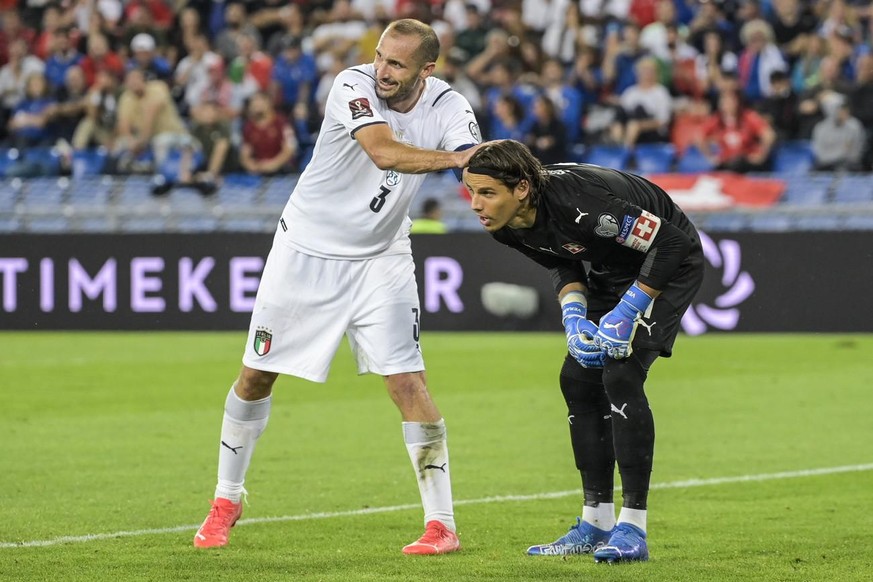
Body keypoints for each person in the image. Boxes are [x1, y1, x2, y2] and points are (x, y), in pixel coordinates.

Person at [193, 18, 481, 555]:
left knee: (408, 383)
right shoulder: (352, 84)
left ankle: (441, 525)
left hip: (382, 257)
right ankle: (226, 499)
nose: (383, 70)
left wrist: (496, 180)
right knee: (256, 376)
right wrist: (456, 160)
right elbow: (384, 151)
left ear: (427, 69)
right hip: (305, 250)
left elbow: (475, 167)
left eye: (396, 63)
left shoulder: (449, 106)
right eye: (380, 57)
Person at [462, 139, 703, 563]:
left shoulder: (583, 204)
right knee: (576, 380)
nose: (475, 205)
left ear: (520, 189)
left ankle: (633, 527)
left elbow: (671, 244)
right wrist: (573, 317)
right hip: (613, 269)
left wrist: (629, 308)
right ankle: (595, 522)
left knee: (620, 374)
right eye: (471, 192)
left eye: (486, 193)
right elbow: (560, 259)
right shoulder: (504, 226)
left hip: (669, 263)